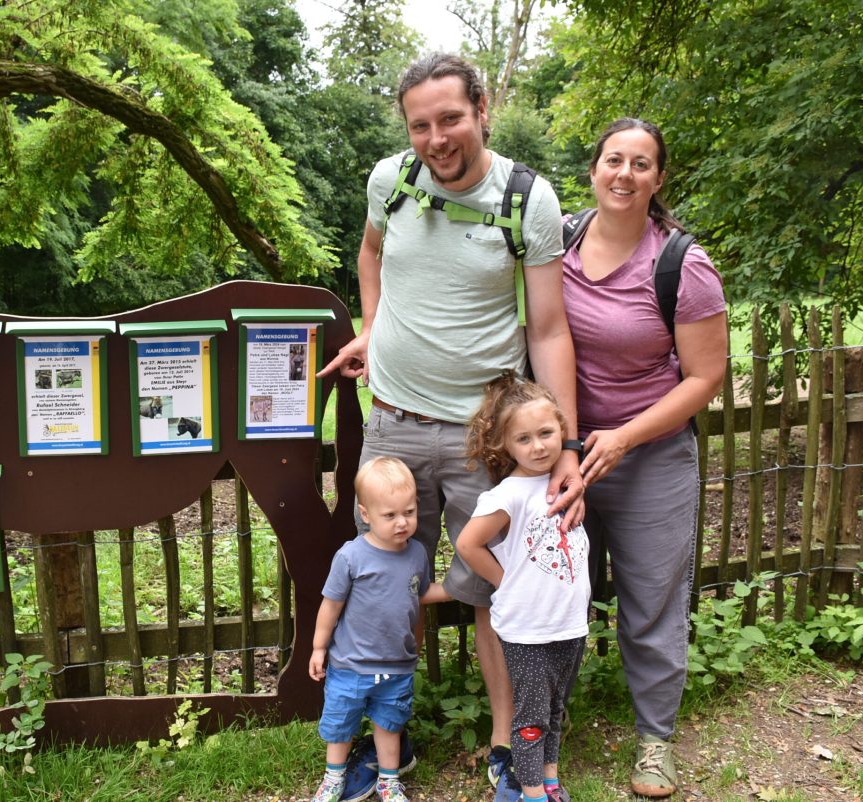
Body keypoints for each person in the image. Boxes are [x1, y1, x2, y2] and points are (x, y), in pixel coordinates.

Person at [317, 52, 584, 801]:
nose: (436, 139)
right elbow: (371, 254)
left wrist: (563, 445)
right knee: (382, 586)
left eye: (450, 119)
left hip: (484, 439)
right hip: (394, 425)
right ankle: (378, 750)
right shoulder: (388, 181)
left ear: (482, 109)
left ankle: (509, 749)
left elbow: (551, 328)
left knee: (501, 594)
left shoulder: (526, 197)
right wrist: (372, 327)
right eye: (420, 125)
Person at [563, 118, 727, 798]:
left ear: (658, 179)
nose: (623, 174)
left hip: (649, 456)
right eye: (612, 160)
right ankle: (543, 721)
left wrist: (624, 437)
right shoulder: (558, 240)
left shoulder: (682, 265)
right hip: (565, 453)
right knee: (556, 589)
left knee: (652, 605)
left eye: (640, 164)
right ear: (594, 169)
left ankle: (655, 742)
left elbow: (705, 376)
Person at [424, 374, 589, 802]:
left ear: (562, 431)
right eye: (524, 438)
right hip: (529, 630)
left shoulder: (566, 484)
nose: (538, 446)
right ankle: (530, 792)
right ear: (505, 445)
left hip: (568, 625)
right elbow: (467, 543)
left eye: (547, 433)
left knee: (553, 712)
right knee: (531, 717)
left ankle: (549, 780)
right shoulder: (510, 494)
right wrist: (505, 580)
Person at [308, 457, 432, 802]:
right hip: (351, 665)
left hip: (396, 666)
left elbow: (421, 595)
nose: (401, 522)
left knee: (389, 724)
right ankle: (334, 777)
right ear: (365, 514)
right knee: (340, 726)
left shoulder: (417, 553)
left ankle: (388, 781)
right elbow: (330, 606)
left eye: (408, 512)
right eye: (389, 516)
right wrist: (319, 648)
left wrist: (459, 586)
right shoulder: (351, 557)